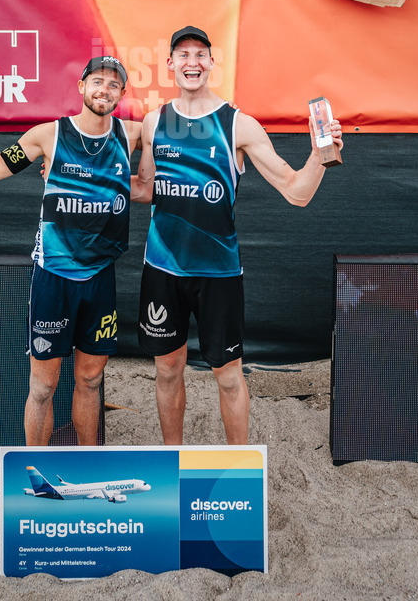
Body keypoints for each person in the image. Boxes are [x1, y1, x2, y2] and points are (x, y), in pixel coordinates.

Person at [131, 26, 343, 444]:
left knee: (228, 377)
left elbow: (296, 192)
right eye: (182, 55)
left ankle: (237, 467)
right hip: (162, 269)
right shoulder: (154, 122)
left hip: (219, 275)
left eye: (200, 54)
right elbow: (146, 187)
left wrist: (319, 158)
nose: (192, 62)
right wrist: (89, 179)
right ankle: (172, 459)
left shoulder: (238, 125)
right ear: (170, 64)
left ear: (212, 62)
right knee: (167, 369)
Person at [0, 56, 140, 445]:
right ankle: (36, 471)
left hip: (99, 277)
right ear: (81, 86)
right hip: (53, 278)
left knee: (90, 380)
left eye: (113, 84)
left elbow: (189, 132)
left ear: (122, 94)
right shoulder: (50, 135)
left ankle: (88, 465)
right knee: (43, 386)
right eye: (97, 81)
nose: (104, 89)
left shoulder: (132, 134)